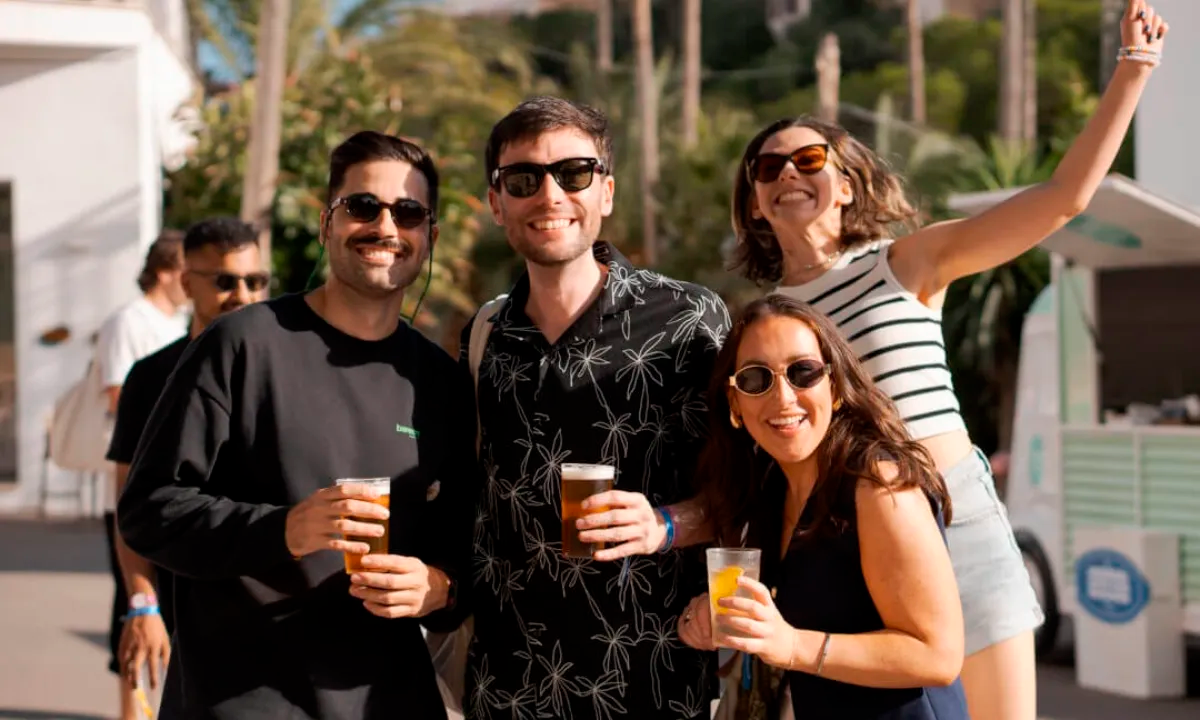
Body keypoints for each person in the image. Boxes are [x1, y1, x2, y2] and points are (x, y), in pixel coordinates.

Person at [726, 4, 1169, 719]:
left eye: (809, 160)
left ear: (847, 184)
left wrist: (1134, 68)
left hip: (956, 514)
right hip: (853, 545)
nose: (787, 174)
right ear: (753, 204)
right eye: (767, 167)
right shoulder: (767, 326)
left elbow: (1063, 200)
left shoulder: (908, 261)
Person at [118, 131, 481, 719]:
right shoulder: (241, 345)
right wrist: (284, 529)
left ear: (429, 236)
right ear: (326, 224)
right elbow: (148, 510)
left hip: (387, 701)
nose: (385, 227)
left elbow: (466, 547)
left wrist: (436, 587)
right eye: (363, 206)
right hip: (242, 701)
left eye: (408, 212)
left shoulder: (439, 383)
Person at [461, 96, 730, 719]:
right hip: (509, 685)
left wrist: (666, 525)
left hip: (656, 682)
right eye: (524, 179)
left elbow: (756, 485)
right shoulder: (484, 335)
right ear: (498, 203)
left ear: (605, 192)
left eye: (574, 173)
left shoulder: (691, 322)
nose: (551, 195)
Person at [678, 294, 968, 719]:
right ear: (735, 403)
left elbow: (938, 655)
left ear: (834, 387)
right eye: (757, 379)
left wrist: (792, 645)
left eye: (803, 373)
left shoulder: (878, 486)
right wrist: (714, 615)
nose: (783, 397)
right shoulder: (772, 489)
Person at [106, 216, 268, 714]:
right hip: (179, 602)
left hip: (265, 609)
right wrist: (143, 602)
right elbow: (128, 504)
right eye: (224, 281)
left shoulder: (288, 368)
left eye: (254, 281)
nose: (241, 294)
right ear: (185, 282)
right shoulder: (152, 376)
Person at [94, 229, 189, 719]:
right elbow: (117, 395)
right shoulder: (129, 322)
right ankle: (130, 714)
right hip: (130, 487)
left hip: (170, 489)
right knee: (134, 608)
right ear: (170, 272)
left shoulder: (178, 321)